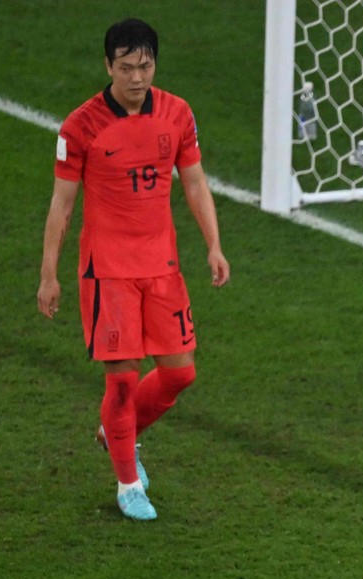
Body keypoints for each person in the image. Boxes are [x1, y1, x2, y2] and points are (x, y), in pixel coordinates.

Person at [37, 18, 230, 521]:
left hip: (162, 266)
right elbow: (61, 206)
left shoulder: (177, 114)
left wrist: (213, 245)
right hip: (108, 272)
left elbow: (194, 183)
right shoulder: (81, 127)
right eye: (126, 68)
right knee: (121, 383)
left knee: (179, 374)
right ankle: (128, 484)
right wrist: (49, 274)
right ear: (108, 67)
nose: (136, 78)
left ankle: (116, 434)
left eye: (144, 66)